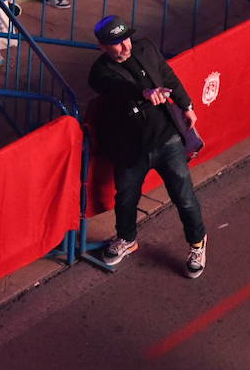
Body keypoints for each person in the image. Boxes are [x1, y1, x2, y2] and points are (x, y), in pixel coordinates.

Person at [87, 15, 207, 278]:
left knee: (184, 197)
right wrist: (144, 93)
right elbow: (119, 87)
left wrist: (186, 105)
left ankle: (197, 244)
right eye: (116, 44)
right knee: (126, 199)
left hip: (167, 139)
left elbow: (167, 75)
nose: (125, 47)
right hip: (130, 149)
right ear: (102, 46)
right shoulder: (99, 73)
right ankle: (127, 239)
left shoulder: (146, 48)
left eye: (126, 39)